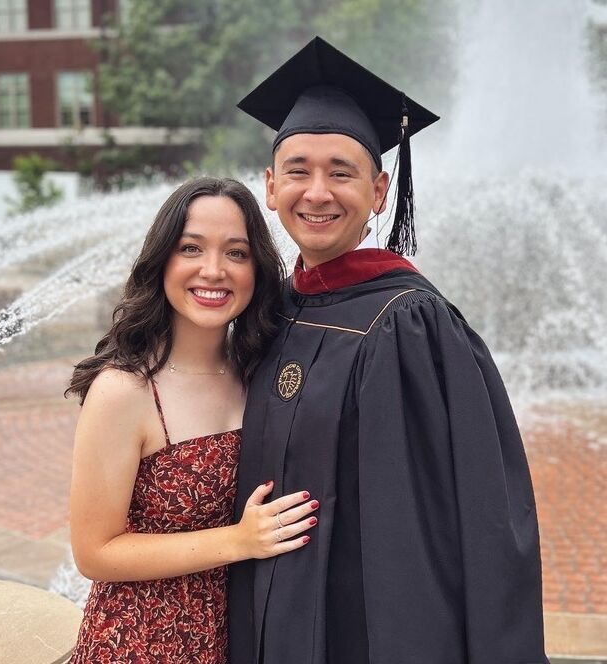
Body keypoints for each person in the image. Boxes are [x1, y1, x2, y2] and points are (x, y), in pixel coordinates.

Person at [228, 37, 550, 664]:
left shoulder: (411, 324)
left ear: (379, 192)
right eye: (298, 170)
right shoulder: (271, 309)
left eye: (341, 173)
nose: (316, 192)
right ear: (269, 187)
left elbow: (468, 521)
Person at [65, 177, 319, 663]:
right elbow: (94, 552)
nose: (213, 270)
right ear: (163, 260)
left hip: (238, 637)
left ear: (257, 269)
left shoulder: (261, 374)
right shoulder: (126, 390)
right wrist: (239, 540)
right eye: (191, 248)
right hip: (141, 643)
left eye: (237, 253)